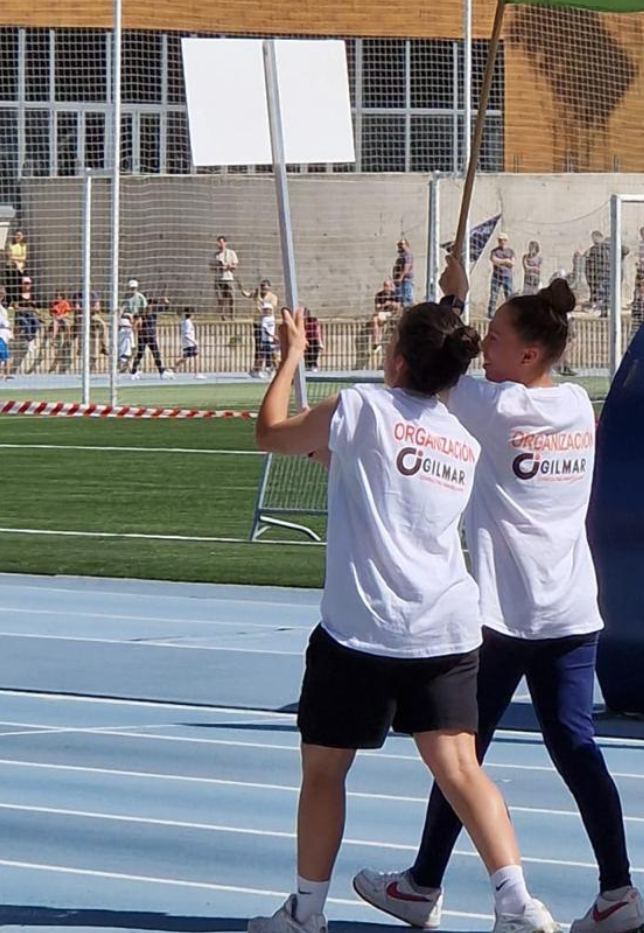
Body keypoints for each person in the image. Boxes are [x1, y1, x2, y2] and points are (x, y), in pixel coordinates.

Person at [246, 256, 560, 933]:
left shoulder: (357, 406)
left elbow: (270, 431)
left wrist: (291, 354)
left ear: (394, 359)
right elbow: (362, 468)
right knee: (460, 768)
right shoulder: (462, 438)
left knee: (325, 770)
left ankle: (305, 911)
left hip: (361, 630)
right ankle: (517, 902)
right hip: (446, 628)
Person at [354, 276, 644, 933]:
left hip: (505, 614)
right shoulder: (574, 404)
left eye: (495, 339)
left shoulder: (495, 408)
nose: (484, 347)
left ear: (528, 356)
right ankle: (618, 888)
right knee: (574, 744)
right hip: (573, 610)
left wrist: (451, 299)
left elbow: (434, 368)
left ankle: (424, 884)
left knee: (462, 753)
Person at [131, 294, 171, 379]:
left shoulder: (154, 312)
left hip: (150, 336)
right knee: (140, 354)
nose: (152, 306)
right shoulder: (141, 312)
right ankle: (133, 372)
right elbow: (134, 318)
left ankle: (161, 371)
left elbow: (166, 308)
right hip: (143, 336)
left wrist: (166, 302)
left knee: (156, 353)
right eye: (151, 304)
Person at [12, 278, 42, 374]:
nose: (27, 285)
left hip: (29, 315)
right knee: (26, 323)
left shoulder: (32, 296)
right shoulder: (17, 295)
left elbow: (34, 308)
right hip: (20, 316)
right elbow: (16, 308)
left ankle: (30, 339)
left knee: (36, 322)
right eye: (25, 283)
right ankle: (29, 340)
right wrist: (26, 308)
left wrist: (31, 309)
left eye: (28, 283)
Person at [487, 234, 515, 319]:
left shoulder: (510, 251)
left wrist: (501, 262)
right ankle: (491, 314)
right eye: (500, 240)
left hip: (507, 277)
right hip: (497, 276)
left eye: (503, 240)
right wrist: (506, 261)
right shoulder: (494, 251)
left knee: (509, 295)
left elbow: (512, 263)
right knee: (494, 295)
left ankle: (510, 313)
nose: (502, 242)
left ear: (506, 241)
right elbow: (494, 260)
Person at [213, 235, 239, 318]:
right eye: (218, 243)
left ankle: (232, 316)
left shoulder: (231, 253)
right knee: (221, 299)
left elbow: (235, 266)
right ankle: (222, 317)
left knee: (232, 298)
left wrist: (227, 266)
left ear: (225, 243)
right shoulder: (215, 255)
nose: (219, 245)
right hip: (218, 279)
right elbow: (211, 267)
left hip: (228, 278)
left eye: (221, 242)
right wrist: (217, 266)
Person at [175, 309, 204, 379]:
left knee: (185, 359)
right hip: (189, 343)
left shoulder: (185, 322)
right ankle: (196, 374)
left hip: (187, 343)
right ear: (191, 314)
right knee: (196, 357)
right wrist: (194, 342)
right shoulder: (187, 322)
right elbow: (186, 334)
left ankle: (172, 369)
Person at [252, 305, 278, 378]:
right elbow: (265, 330)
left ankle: (270, 370)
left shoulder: (272, 318)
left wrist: (274, 335)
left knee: (272, 355)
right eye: (265, 310)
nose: (267, 311)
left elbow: (273, 328)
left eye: (269, 310)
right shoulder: (264, 319)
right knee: (264, 356)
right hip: (265, 340)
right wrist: (272, 336)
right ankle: (257, 370)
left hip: (271, 340)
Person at [394, 238, 415, 306]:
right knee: (401, 300)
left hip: (405, 280)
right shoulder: (401, 256)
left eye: (401, 244)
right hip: (401, 281)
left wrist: (400, 278)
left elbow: (406, 268)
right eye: (398, 244)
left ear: (406, 245)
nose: (399, 246)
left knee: (407, 300)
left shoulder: (407, 255)